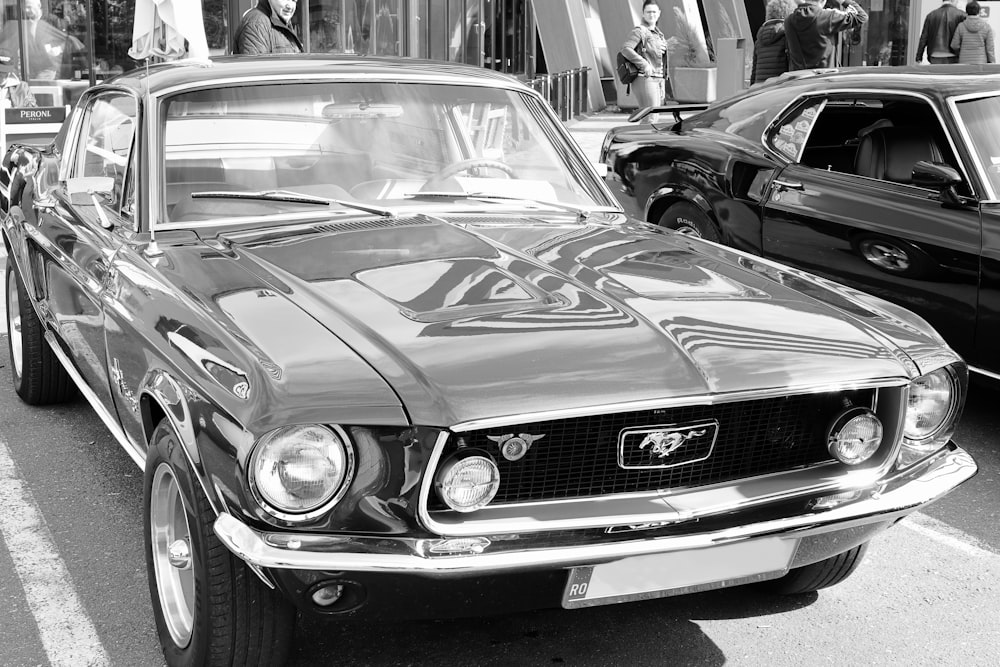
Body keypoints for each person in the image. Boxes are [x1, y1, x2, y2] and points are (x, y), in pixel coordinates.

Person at [0, 0, 83, 80]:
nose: (26, 10)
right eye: (24, 7)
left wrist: (58, 49)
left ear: (39, 6)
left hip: (47, 69)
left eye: (29, 7)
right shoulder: (22, 22)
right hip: (27, 69)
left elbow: (66, 39)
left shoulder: (52, 21)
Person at [620, 0, 669, 123]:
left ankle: (642, 140)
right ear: (643, 14)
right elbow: (626, 49)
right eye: (648, 12)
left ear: (659, 13)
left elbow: (660, 62)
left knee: (653, 116)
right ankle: (640, 141)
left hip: (656, 79)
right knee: (650, 117)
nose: (651, 14)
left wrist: (662, 81)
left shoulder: (659, 34)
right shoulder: (639, 31)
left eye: (654, 12)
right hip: (645, 78)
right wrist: (644, 64)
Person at [784, 0, 868, 71]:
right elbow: (861, 16)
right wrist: (843, 1)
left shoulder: (788, 21)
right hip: (824, 78)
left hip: (798, 80)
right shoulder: (827, 17)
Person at [751, 0, 797, 84]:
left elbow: (754, 72)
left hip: (759, 90)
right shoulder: (786, 36)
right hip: (778, 89)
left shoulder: (759, 39)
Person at [234, 0, 303, 55]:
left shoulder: (281, 22)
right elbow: (256, 70)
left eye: (294, 0)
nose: (290, 6)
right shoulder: (256, 24)